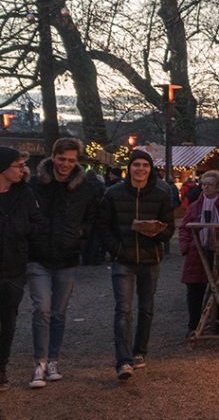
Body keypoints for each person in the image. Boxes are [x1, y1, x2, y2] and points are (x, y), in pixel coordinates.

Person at [26, 137, 103, 388]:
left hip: (67, 257)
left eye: (71, 160)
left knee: (58, 313)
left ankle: (53, 360)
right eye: (62, 159)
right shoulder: (35, 184)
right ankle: (39, 362)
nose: (66, 164)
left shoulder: (85, 188)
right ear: (53, 157)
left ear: (77, 161)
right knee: (42, 310)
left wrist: (80, 236)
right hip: (38, 256)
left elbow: (93, 216)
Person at [96, 149, 175, 380]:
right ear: (129, 168)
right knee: (123, 309)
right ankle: (124, 360)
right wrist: (117, 249)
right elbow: (103, 226)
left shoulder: (162, 193)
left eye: (145, 165)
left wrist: (157, 232)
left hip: (151, 258)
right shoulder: (113, 194)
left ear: (150, 169)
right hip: (124, 260)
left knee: (146, 308)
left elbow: (169, 228)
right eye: (136, 164)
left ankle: (140, 351)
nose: (140, 169)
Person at [0, 147, 42, 392]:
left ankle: (1, 366)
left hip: (14, 267)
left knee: (8, 321)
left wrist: (21, 229)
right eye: (17, 165)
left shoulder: (24, 193)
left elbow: (37, 223)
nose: (21, 170)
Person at [179, 171, 219, 334]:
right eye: (203, 184)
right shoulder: (195, 206)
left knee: (218, 288)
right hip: (196, 252)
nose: (205, 187)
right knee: (194, 289)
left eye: (209, 184)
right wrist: (186, 247)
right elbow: (184, 228)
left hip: (218, 251)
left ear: (218, 187)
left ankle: (217, 323)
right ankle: (194, 325)